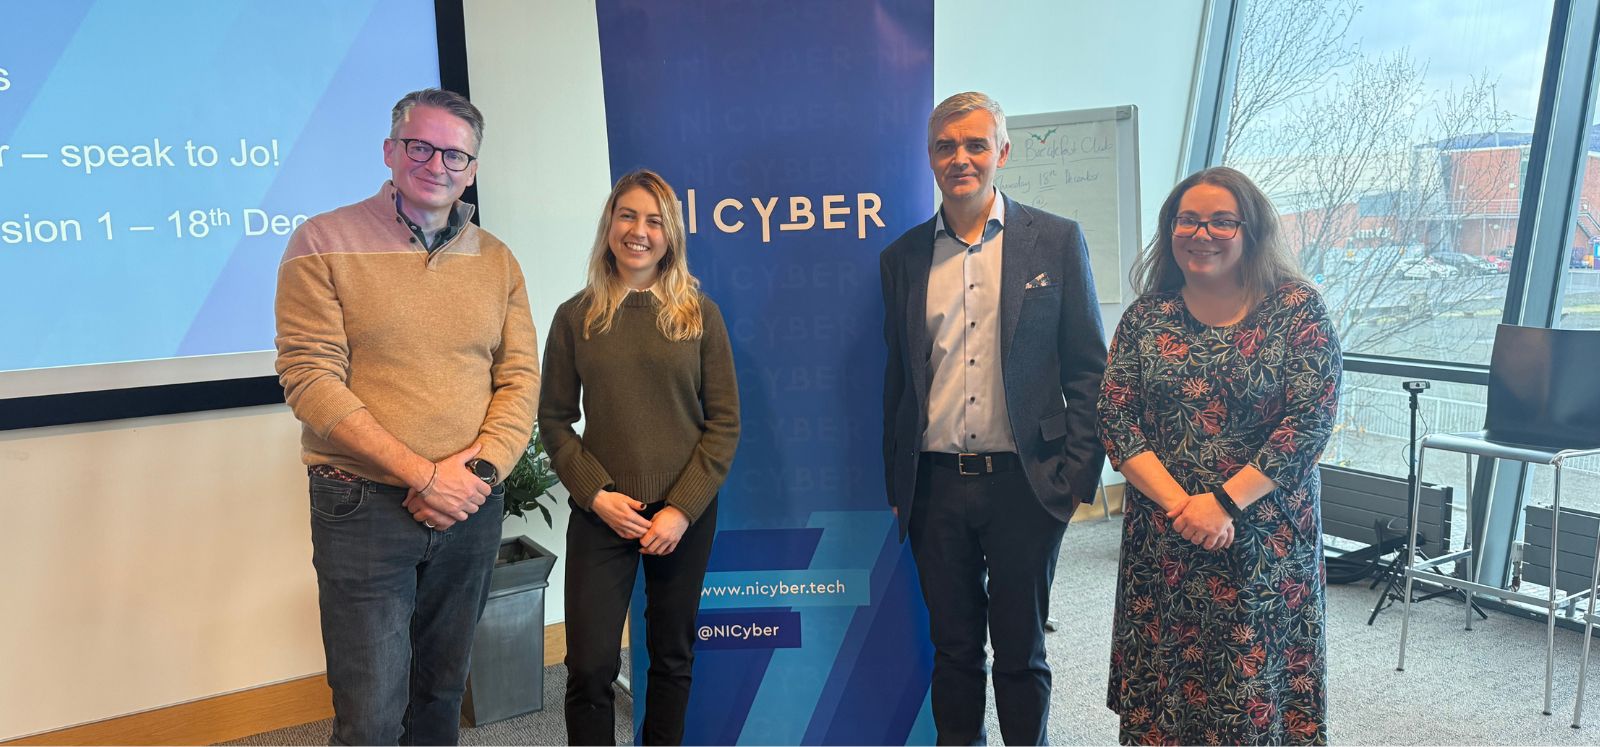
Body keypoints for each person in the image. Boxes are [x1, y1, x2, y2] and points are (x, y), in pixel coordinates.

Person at [273, 88, 539, 745]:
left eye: (455, 154)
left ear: (472, 169)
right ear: (390, 150)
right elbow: (310, 378)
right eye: (420, 147)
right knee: (370, 716)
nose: (436, 164)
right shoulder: (322, 241)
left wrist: (476, 473)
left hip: (471, 503)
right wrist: (425, 475)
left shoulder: (498, 260)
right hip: (361, 503)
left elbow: (519, 379)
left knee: (440, 697)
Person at [880, 91, 1107, 745]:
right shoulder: (902, 259)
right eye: (946, 146)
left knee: (1020, 652)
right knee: (953, 651)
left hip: (1026, 484)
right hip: (934, 486)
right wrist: (898, 482)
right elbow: (899, 379)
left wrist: (1075, 478)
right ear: (930, 157)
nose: (961, 158)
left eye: (976, 144)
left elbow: (1088, 369)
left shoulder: (1056, 241)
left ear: (1001, 152)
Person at [1097, 166, 1340, 745]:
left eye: (1221, 222)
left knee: (1251, 694)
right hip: (1165, 536)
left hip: (1263, 540)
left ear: (1250, 231)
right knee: (1167, 692)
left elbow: (1309, 421)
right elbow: (1115, 416)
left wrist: (1224, 504)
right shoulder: (1146, 317)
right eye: (1188, 220)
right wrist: (1185, 507)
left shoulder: (1297, 309)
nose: (1201, 234)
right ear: (1170, 231)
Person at [540, 169, 740, 746]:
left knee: (671, 656)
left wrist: (680, 510)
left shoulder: (700, 315)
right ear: (609, 226)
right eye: (627, 215)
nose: (639, 231)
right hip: (603, 513)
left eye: (654, 221)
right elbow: (555, 421)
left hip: (682, 515)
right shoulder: (575, 316)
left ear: (670, 234)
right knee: (589, 666)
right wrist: (597, 495)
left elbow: (724, 424)